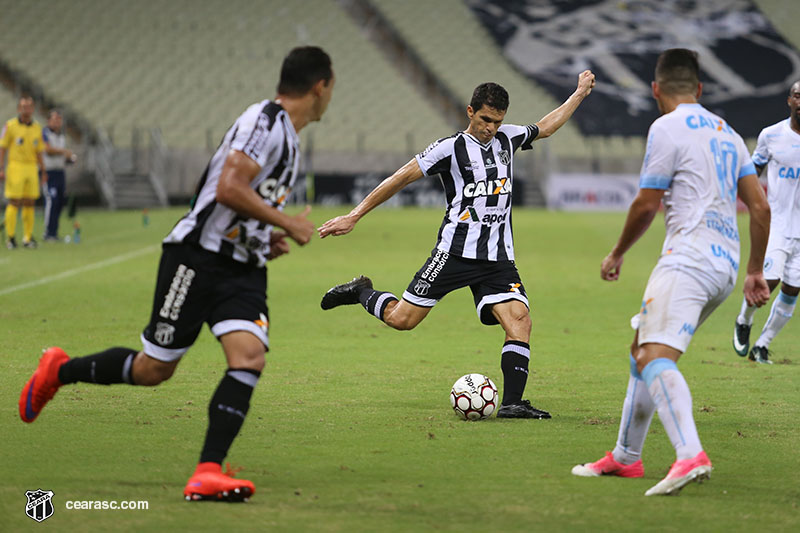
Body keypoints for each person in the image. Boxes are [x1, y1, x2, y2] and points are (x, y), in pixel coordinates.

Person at [18, 46, 334, 502]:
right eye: (330, 88)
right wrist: (288, 222)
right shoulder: (264, 121)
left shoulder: (288, 135)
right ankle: (59, 371)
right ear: (320, 86)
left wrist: (264, 238)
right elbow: (227, 187)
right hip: (196, 258)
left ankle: (207, 471)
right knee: (153, 370)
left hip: (241, 268)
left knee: (248, 357)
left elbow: (240, 203)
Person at [318, 71, 596, 419]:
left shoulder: (508, 139)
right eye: (484, 120)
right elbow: (400, 178)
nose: (491, 128)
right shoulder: (448, 148)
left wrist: (579, 94)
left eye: (497, 121)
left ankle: (511, 403)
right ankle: (361, 291)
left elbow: (547, 126)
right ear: (470, 112)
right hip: (453, 254)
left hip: (497, 259)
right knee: (403, 320)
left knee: (520, 320)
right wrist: (354, 215)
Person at [571, 49, 771, 496]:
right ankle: (625, 457)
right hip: (725, 263)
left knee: (656, 357)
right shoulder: (729, 133)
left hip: (688, 257)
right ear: (699, 89)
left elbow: (646, 203)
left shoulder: (665, 127)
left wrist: (617, 253)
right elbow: (759, 206)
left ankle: (689, 454)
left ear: (656, 89)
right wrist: (755, 271)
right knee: (640, 347)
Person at [732, 80, 800, 364]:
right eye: (798, 95)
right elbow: (750, 173)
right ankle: (744, 320)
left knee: (793, 288)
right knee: (767, 282)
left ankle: (762, 344)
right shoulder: (771, 135)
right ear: (789, 100)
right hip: (777, 223)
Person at [0, 95, 47, 249]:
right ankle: (11, 238)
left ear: (33, 109)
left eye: (29, 106)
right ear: (19, 109)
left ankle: (27, 238)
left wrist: (43, 170)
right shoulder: (10, 125)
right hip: (16, 166)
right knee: (14, 201)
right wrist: (1, 168)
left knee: (30, 201)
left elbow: (39, 150)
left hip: (31, 167)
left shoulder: (36, 127)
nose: (26, 110)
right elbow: (2, 147)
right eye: (23, 107)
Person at [42, 109, 75, 241]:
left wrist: (69, 158)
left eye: (59, 120)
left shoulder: (61, 136)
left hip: (60, 173)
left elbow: (62, 156)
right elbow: (48, 150)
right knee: (52, 200)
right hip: (49, 172)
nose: (57, 122)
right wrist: (64, 152)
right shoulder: (44, 133)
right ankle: (48, 232)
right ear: (48, 121)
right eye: (54, 119)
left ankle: (54, 232)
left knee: (60, 202)